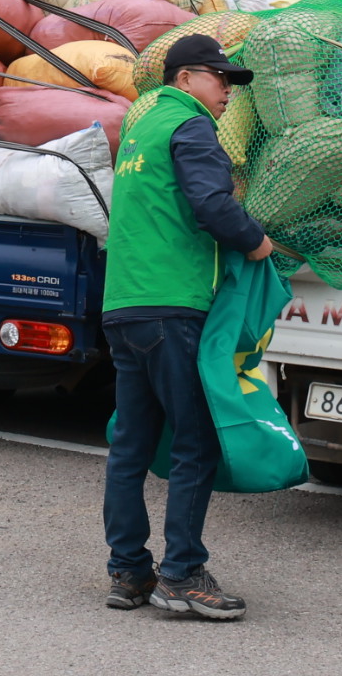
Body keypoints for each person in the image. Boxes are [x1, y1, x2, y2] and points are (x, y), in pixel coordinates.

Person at [100, 34, 272, 620]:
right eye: (220, 79)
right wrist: (255, 242)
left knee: (131, 444)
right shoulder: (190, 125)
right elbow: (211, 204)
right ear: (186, 78)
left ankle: (128, 572)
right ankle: (181, 573)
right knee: (194, 441)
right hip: (172, 305)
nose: (226, 91)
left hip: (124, 306)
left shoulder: (140, 124)